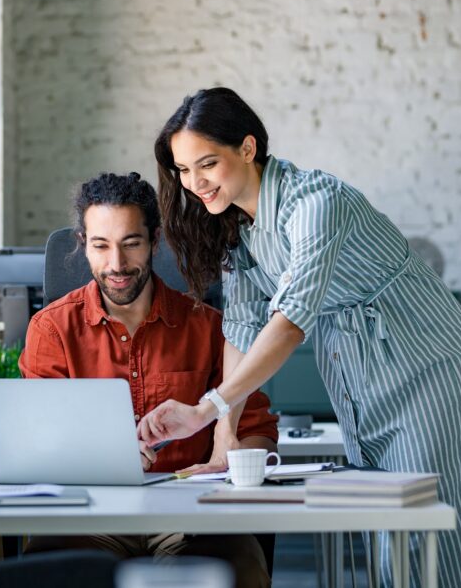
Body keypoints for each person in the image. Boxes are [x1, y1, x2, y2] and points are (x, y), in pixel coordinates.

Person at [138, 87, 461, 588]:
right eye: (183, 169)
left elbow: (287, 323)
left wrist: (205, 409)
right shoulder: (237, 226)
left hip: (422, 357)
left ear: (247, 148)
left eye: (207, 163)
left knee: (426, 520)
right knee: (384, 525)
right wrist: (224, 439)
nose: (194, 182)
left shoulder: (315, 203)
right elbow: (243, 325)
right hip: (355, 365)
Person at [20, 171, 278, 588]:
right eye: (101, 246)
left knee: (238, 569)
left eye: (131, 244)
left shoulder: (208, 328)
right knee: (42, 576)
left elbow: (258, 431)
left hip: (189, 518)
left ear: (155, 242)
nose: (117, 265)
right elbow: (36, 443)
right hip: (90, 518)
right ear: (83, 244)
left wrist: (230, 459)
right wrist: (107, 458)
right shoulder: (52, 330)